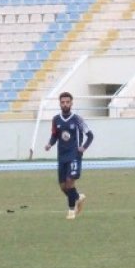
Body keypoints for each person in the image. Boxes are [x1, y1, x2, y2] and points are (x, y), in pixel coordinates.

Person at [43, 92, 94, 220]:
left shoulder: (77, 119)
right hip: (62, 156)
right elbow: (55, 135)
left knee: (70, 181)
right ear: (60, 103)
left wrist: (83, 147)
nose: (65, 104)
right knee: (63, 186)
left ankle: (71, 211)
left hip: (74, 155)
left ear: (71, 103)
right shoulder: (56, 119)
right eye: (62, 102)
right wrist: (50, 144)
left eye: (67, 102)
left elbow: (90, 135)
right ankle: (77, 197)